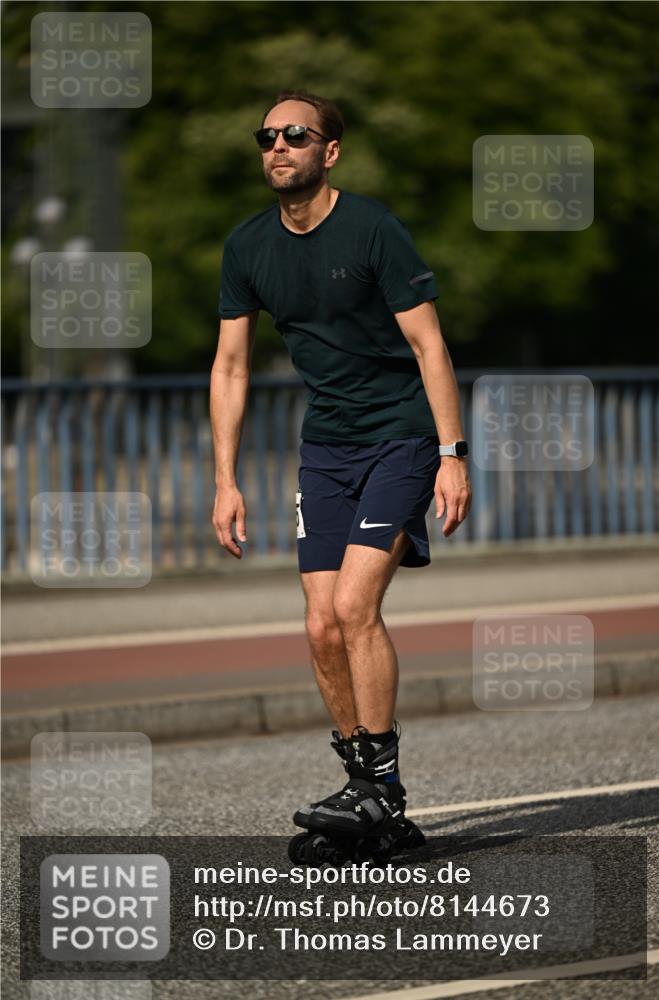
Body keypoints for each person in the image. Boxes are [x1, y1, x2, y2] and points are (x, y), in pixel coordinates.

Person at [211, 89, 472, 859]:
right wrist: (225, 479)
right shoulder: (247, 246)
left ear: (328, 151)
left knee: (356, 604)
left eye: (295, 134)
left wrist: (452, 455)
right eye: (266, 136)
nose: (278, 147)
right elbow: (230, 367)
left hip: (401, 435)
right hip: (324, 447)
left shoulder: (372, 229)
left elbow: (429, 346)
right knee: (321, 623)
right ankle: (366, 791)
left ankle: (380, 792)